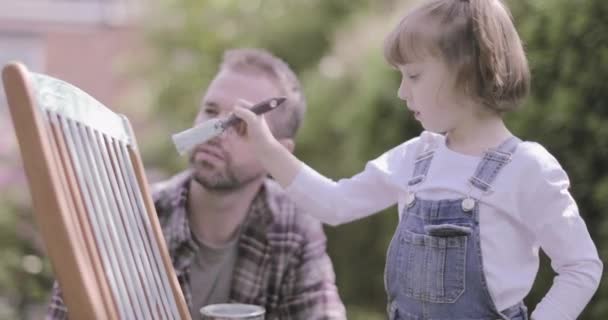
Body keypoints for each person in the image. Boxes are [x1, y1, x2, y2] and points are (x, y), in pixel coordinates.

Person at [231, 1, 603, 319]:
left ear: (468, 71)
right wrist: (266, 146)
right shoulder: (415, 158)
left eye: (414, 75)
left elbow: (580, 267)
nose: (401, 91)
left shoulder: (527, 168)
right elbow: (334, 204)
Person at [46, 48, 346, 320]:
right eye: (212, 112)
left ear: (278, 154)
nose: (215, 132)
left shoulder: (294, 228)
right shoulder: (125, 219)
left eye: (242, 125)